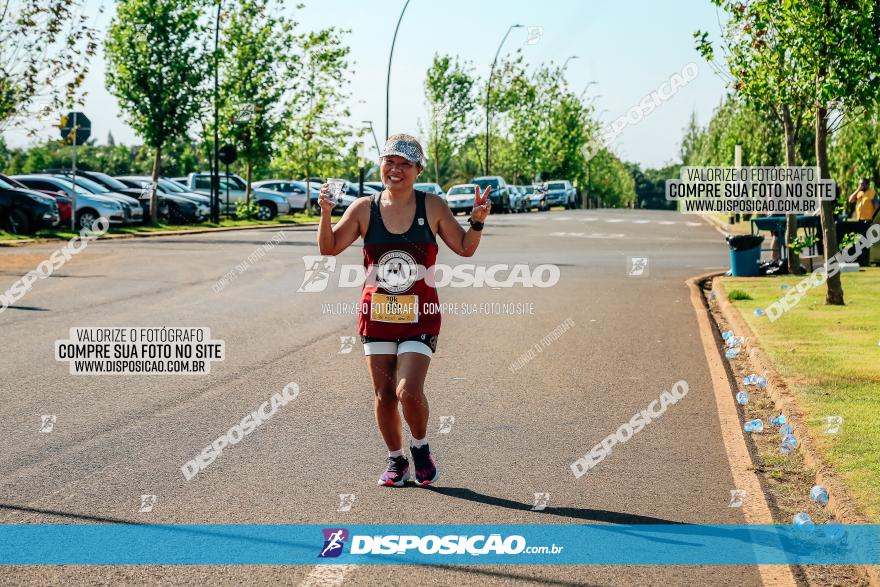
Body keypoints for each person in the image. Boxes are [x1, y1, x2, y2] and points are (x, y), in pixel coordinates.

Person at [316, 133, 491, 487]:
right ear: (381, 165)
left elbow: (464, 248)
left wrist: (477, 221)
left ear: (418, 169)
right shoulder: (364, 208)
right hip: (376, 314)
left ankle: (421, 447)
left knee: (407, 391)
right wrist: (325, 212)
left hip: (420, 315)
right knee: (383, 397)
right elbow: (329, 247)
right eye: (389, 162)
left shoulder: (433, 206)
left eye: (405, 164)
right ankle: (397, 461)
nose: (395, 170)